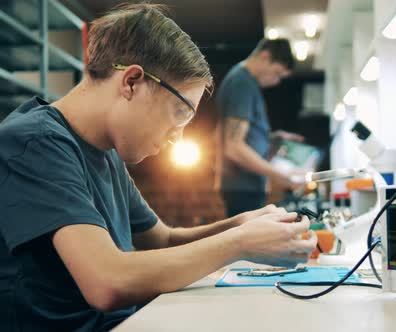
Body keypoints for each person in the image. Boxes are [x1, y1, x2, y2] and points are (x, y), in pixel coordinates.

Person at [0, 4, 316, 331]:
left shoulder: (104, 149)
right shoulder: (34, 144)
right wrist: (239, 244)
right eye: (179, 114)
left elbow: (162, 240)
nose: (176, 139)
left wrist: (240, 226)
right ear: (132, 81)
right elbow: (108, 281)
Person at [216, 38, 305, 218]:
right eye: (277, 73)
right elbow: (234, 146)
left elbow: (242, 135)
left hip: (246, 185)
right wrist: (281, 174)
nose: (276, 81)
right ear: (265, 57)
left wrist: (273, 137)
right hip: (242, 187)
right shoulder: (241, 83)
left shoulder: (245, 82)